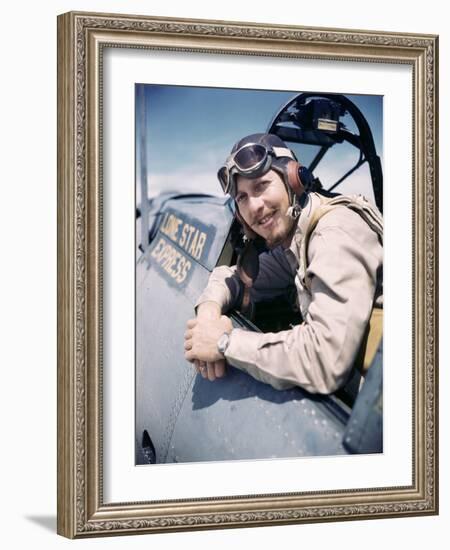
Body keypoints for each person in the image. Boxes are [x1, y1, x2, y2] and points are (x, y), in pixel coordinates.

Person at [184, 133, 383, 394]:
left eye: (261, 186)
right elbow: (232, 278)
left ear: (294, 181)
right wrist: (209, 314)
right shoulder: (296, 241)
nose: (254, 206)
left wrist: (224, 343)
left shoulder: (333, 234)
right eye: (242, 197)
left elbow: (326, 362)